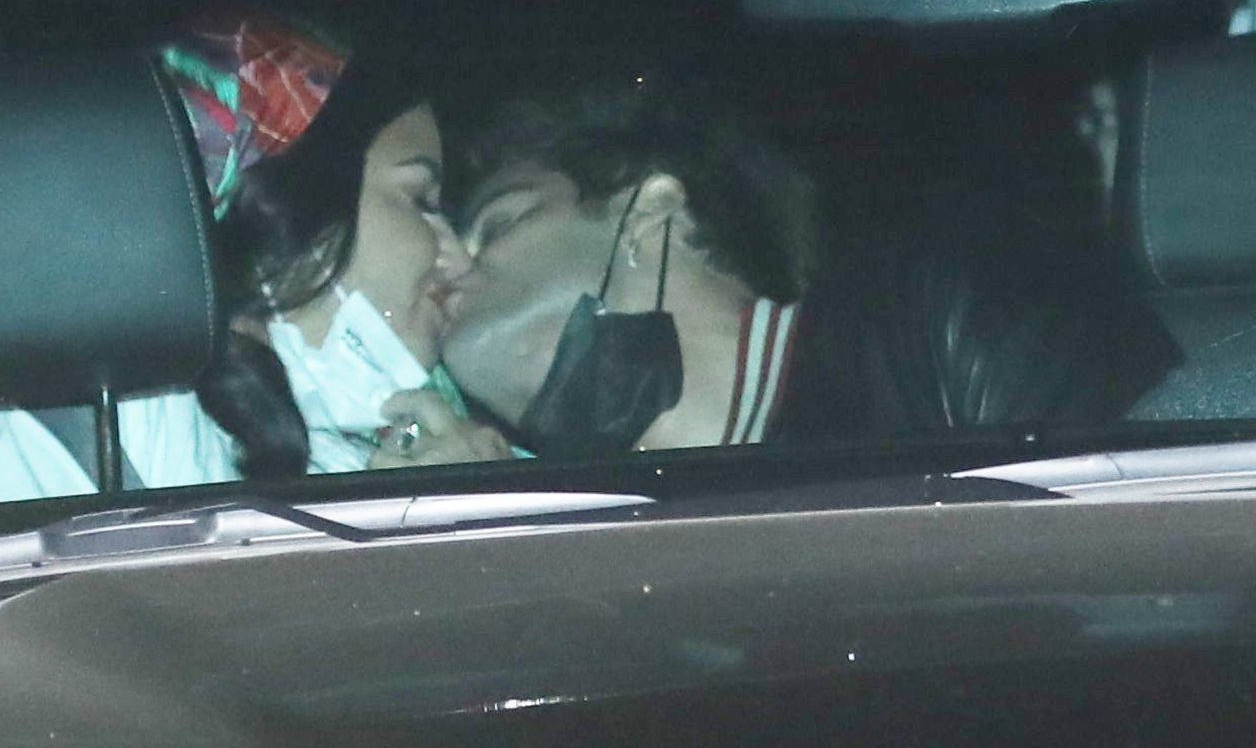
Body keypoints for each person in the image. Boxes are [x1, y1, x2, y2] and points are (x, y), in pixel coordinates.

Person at [0, 13, 508, 509]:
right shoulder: (52, 391)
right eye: (421, 200)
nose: (458, 259)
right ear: (283, 203)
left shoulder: (333, 437)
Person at [439, 72, 1179, 459]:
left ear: (650, 211)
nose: (450, 269)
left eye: (497, 224)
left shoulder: (935, 319)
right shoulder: (571, 529)